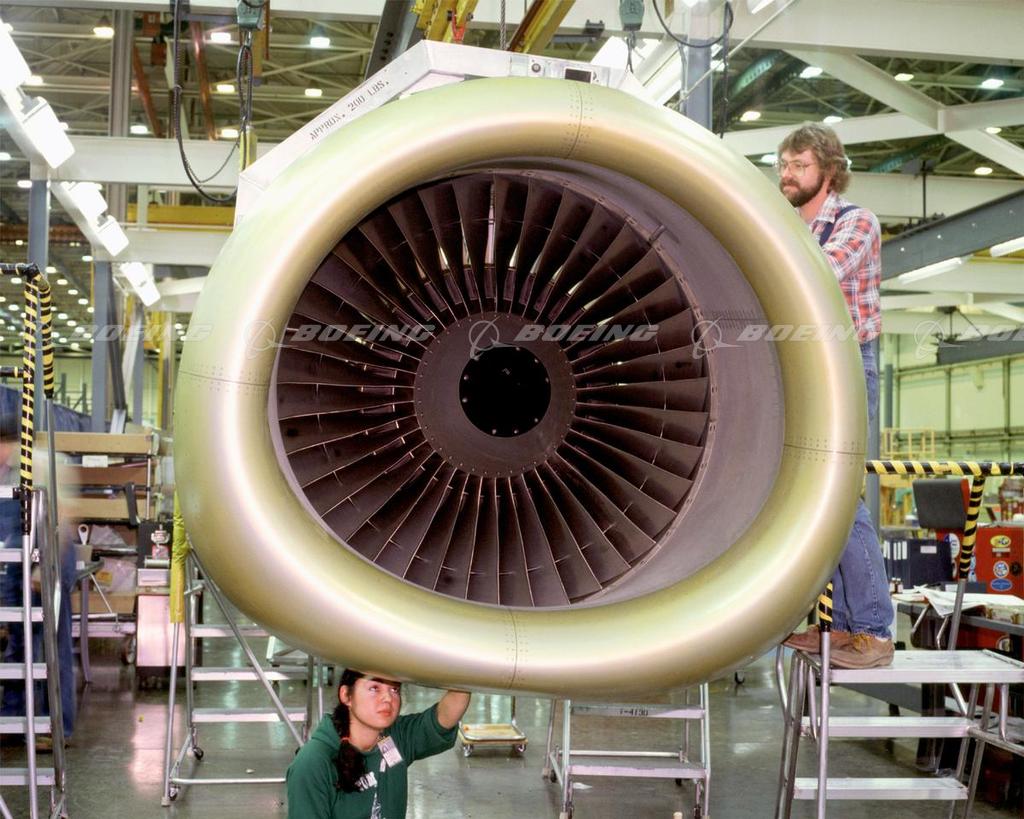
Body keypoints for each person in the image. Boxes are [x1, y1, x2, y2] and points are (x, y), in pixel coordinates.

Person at [777, 123, 894, 669]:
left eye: (799, 165)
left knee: (841, 492)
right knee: (810, 493)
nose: (787, 175)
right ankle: (841, 627)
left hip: (847, 365)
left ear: (828, 170)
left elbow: (816, 272)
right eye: (784, 165)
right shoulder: (782, 225)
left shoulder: (856, 222)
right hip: (798, 365)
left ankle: (873, 629)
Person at [287, 669, 471, 818]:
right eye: (374, 688)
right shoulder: (313, 763)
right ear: (346, 695)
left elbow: (445, 717)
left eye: (394, 690)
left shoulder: (393, 737)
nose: (388, 698)